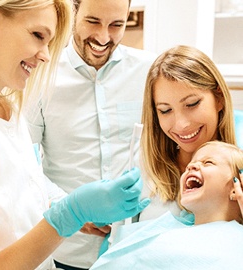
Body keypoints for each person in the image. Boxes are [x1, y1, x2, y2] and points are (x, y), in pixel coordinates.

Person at [0, 1, 150, 269]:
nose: (45, 55)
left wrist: (74, 208)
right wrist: (71, 212)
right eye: (37, 35)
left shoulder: (12, 110)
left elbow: (28, 186)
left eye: (50, 41)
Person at [26, 0, 156, 269]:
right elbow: (24, 164)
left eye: (116, 25)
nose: (103, 37)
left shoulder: (149, 71)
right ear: (74, 11)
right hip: (67, 249)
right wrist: (72, 209)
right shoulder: (40, 74)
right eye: (93, 21)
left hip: (136, 248)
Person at [90, 141, 243, 269]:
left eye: (208, 162)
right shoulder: (164, 230)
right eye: (191, 164)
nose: (191, 166)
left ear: (237, 188)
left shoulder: (236, 243)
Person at [138, 45, 238, 222]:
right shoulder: (142, 169)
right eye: (165, 110)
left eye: (192, 104)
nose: (181, 124)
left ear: (219, 98)